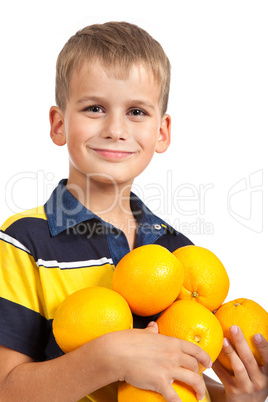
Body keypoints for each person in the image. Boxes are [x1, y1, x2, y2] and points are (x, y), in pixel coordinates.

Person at [0, 21, 267, 402]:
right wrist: (108, 359)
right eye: (94, 108)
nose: (115, 129)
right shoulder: (24, 239)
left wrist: (237, 396)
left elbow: (177, 378)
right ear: (59, 125)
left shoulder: (179, 253)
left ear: (162, 132)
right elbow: (6, 389)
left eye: (137, 112)